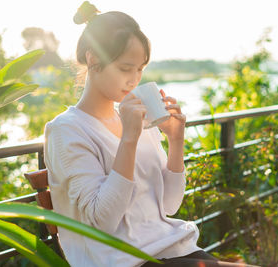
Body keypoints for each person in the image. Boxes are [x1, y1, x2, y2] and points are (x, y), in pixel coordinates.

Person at [44, 2, 253, 267]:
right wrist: (128, 139)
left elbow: (168, 206)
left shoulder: (136, 118)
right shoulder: (67, 130)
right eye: (125, 68)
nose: (134, 80)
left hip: (170, 250)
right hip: (123, 261)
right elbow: (102, 223)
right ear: (93, 58)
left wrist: (176, 141)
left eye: (140, 68)